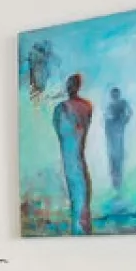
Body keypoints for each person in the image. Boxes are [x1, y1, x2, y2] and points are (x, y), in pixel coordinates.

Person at [52, 74, 94, 234]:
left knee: (78, 194)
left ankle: (80, 230)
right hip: (76, 158)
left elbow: (59, 130)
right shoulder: (87, 106)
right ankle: (82, 229)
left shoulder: (62, 108)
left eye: (70, 84)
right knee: (81, 193)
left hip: (71, 159)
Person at [104, 88, 132, 194]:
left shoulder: (122, 103)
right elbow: (107, 120)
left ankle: (118, 185)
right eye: (113, 94)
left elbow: (129, 113)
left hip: (118, 134)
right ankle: (116, 185)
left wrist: (124, 121)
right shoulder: (110, 106)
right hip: (112, 134)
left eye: (116, 94)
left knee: (118, 159)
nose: (114, 96)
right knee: (113, 159)